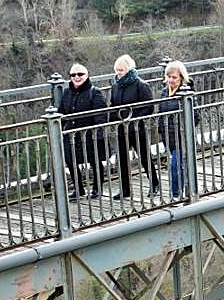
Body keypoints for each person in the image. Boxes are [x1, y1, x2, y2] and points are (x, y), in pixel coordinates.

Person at [110, 54, 158, 199]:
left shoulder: (141, 85)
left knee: (144, 157)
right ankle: (125, 189)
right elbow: (113, 105)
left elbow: (149, 107)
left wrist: (133, 118)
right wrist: (115, 117)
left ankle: (155, 184)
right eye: (117, 70)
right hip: (121, 128)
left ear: (129, 69)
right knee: (123, 159)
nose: (118, 73)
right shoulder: (115, 86)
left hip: (137, 128)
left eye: (121, 70)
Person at [59, 63, 106, 199]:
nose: (76, 77)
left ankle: (97, 188)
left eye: (80, 74)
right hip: (71, 133)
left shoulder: (94, 92)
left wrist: (98, 133)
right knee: (70, 160)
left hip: (89, 133)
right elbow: (61, 112)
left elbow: (101, 115)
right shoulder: (67, 92)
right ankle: (79, 189)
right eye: (73, 75)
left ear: (87, 75)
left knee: (94, 161)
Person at [157, 59, 192, 200]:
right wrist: (161, 128)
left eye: (174, 77)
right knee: (177, 165)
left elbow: (194, 116)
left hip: (181, 135)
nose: (171, 80)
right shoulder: (165, 92)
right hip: (168, 136)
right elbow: (160, 112)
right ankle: (178, 192)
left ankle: (177, 194)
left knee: (175, 165)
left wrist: (183, 127)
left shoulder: (187, 93)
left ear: (182, 78)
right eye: (169, 77)